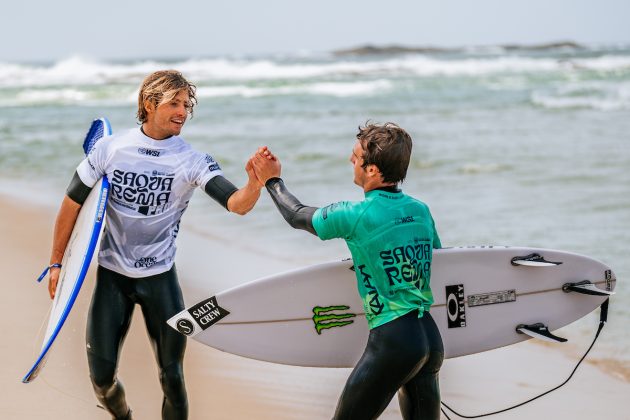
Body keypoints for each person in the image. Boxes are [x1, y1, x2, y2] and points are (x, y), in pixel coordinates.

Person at [45, 70, 266, 420]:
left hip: (159, 279)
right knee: (101, 380)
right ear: (149, 104)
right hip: (112, 277)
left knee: (173, 379)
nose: (182, 112)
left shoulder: (191, 159)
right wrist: (57, 264)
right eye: (174, 103)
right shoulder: (111, 149)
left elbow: (236, 204)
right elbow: (72, 203)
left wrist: (255, 183)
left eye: (186, 105)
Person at [251, 122, 444, 420]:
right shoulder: (421, 211)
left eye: (356, 157)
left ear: (372, 171)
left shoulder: (356, 215)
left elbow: (296, 215)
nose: (350, 161)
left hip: (393, 341)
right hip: (429, 339)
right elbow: (438, 257)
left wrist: (272, 181)